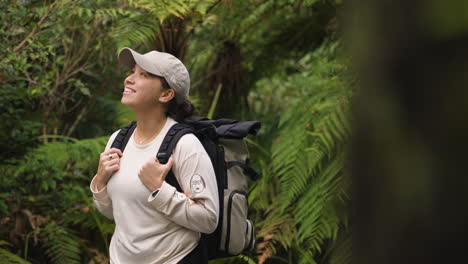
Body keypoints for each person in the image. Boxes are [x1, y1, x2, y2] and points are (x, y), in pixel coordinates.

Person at [89, 48, 219, 264]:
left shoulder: (185, 145)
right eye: (132, 72)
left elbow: (208, 219)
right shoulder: (118, 140)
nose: (129, 79)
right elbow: (118, 213)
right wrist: (101, 182)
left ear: (166, 94)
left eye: (144, 74)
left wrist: (160, 190)